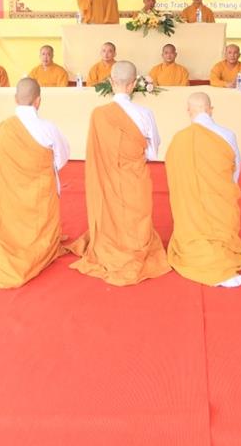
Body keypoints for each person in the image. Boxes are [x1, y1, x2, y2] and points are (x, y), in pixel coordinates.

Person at [67, 61, 170, 286]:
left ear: (111, 82)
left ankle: (110, 244)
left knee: (111, 210)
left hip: (107, 178)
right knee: (136, 214)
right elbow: (152, 152)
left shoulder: (99, 115)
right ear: (133, 85)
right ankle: (135, 246)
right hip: (135, 178)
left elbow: (95, 152)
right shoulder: (145, 113)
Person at [0, 78, 71, 288]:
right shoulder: (48, 128)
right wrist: (45, 170)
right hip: (40, 192)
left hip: (10, 194)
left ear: (15, 99)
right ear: (38, 101)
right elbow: (63, 156)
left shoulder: (2, 128)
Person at [167, 92, 241, 288]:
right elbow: (237, 168)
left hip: (191, 204)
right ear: (211, 110)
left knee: (195, 217)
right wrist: (225, 190)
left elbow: (174, 172)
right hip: (220, 199)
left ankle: (198, 253)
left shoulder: (179, 139)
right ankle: (221, 253)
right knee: (221, 222)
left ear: (188, 111)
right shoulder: (227, 134)